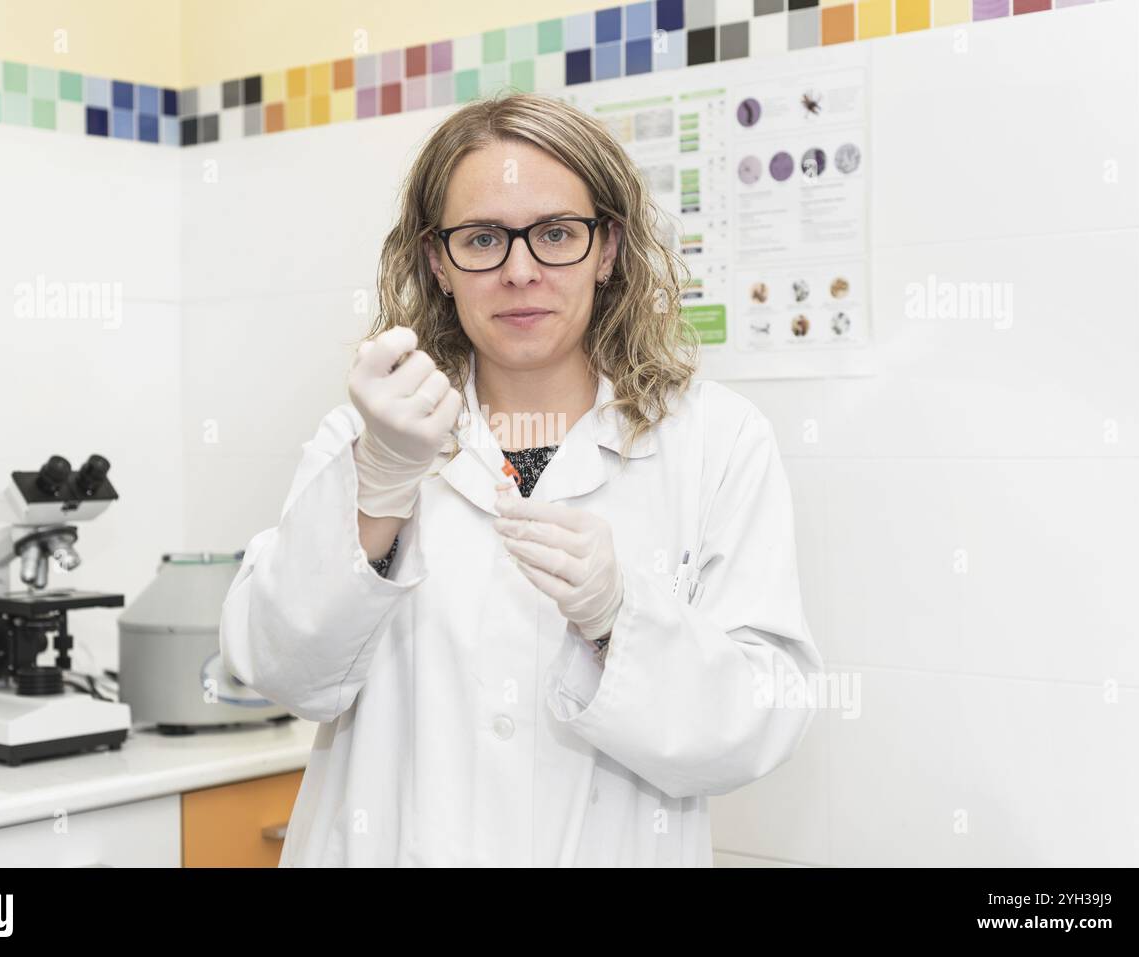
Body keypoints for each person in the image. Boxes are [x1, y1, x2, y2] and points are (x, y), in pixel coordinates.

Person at [220, 92, 823, 867]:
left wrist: (620, 619)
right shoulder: (364, 437)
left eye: (556, 234)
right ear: (438, 261)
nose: (519, 270)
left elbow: (764, 718)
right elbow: (278, 671)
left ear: (607, 248)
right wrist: (378, 485)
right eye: (481, 239)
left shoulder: (716, 442)